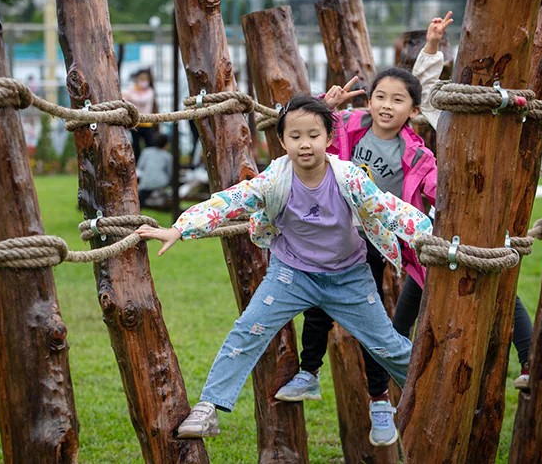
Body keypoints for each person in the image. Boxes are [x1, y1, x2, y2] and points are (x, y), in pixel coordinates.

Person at [274, 12, 534, 441]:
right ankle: (309, 373)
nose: (386, 106)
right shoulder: (350, 126)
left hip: (381, 240)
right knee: (321, 308)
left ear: (414, 111)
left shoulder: (418, 156)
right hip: (335, 233)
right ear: (369, 100)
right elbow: (303, 127)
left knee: (377, 320)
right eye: (379, 96)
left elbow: (435, 190)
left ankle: (382, 401)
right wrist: (329, 102)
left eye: (398, 100)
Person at [136, 94, 433, 446]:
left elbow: (388, 208)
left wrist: (431, 234)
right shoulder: (274, 180)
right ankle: (209, 405)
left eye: (313, 135)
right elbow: (230, 201)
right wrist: (180, 228)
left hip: (349, 278)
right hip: (291, 275)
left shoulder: (348, 177)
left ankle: (435, 392)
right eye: (295, 136)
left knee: (389, 347)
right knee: (247, 331)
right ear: (281, 141)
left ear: (329, 138)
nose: (304, 144)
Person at [122, 68, 158, 157]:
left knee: (150, 146)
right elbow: (123, 98)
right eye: (141, 79)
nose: (143, 81)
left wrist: (130, 95)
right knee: (136, 146)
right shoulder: (132, 90)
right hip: (135, 123)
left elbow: (142, 100)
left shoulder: (150, 91)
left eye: (145, 79)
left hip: (147, 123)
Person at [136, 133, 173, 207]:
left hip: (145, 183)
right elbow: (170, 172)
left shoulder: (146, 152)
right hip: (161, 183)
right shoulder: (167, 156)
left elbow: (139, 167)